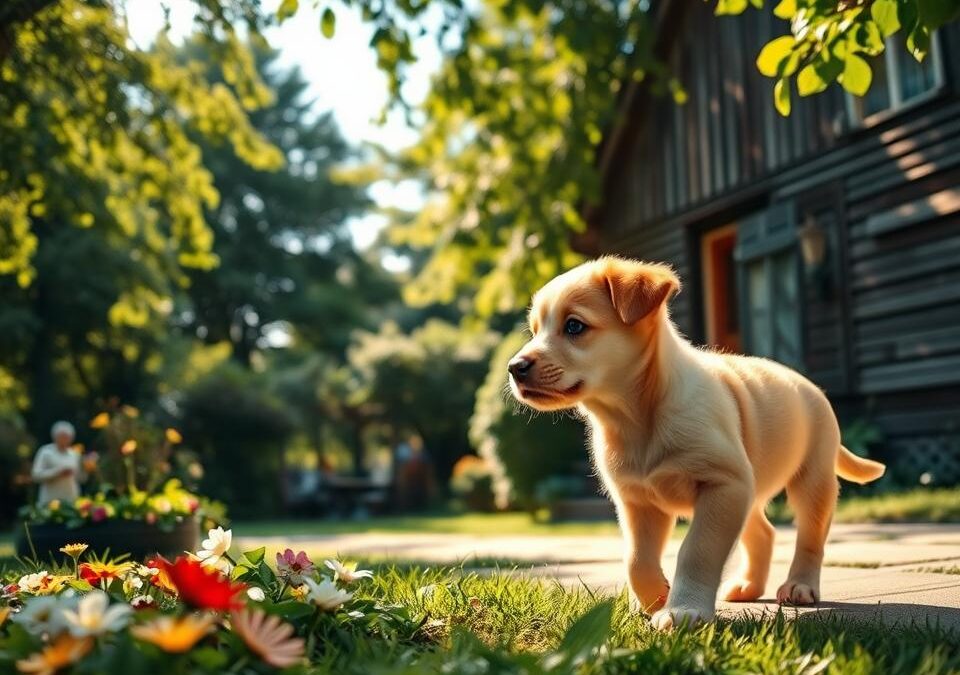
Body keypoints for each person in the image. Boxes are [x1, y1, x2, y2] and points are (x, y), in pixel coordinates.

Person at [31, 421, 86, 506]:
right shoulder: (46, 452)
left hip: (71, 500)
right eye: (62, 437)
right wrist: (57, 472)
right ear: (55, 437)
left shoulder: (75, 454)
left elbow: (81, 478)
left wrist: (87, 469)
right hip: (50, 500)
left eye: (67, 437)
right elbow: (36, 475)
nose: (64, 440)